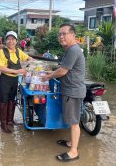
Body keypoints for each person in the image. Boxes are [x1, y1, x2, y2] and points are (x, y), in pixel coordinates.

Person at [41, 24, 86, 162]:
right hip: (71, 89)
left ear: (73, 35)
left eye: (64, 33)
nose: (61, 36)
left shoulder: (73, 50)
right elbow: (62, 69)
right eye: (59, 34)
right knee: (73, 120)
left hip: (73, 91)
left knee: (73, 122)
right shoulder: (70, 50)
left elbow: (62, 71)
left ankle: (73, 152)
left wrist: (48, 77)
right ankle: (72, 143)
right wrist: (52, 72)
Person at [0, 31, 32, 133]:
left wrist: (35, 62)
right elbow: (0, 68)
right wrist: (17, 71)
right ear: (6, 41)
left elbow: (28, 58)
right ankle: (3, 124)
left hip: (14, 80)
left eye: (13, 39)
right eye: (9, 39)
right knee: (4, 100)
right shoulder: (2, 52)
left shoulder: (18, 51)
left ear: (16, 41)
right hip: (5, 79)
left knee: (12, 99)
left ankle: (10, 120)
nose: (11, 41)